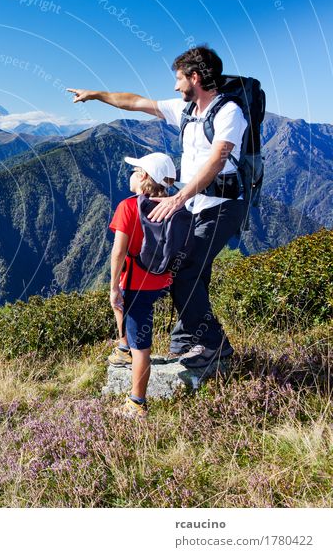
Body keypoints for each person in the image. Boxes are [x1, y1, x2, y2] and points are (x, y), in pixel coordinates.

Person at [68, 44, 247, 368]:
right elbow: (135, 102)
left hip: (222, 205)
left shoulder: (228, 112)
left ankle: (214, 345)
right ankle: (185, 341)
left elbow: (218, 159)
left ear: (195, 77)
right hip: (194, 205)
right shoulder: (187, 112)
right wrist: (95, 95)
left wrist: (178, 197)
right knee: (189, 270)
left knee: (185, 272)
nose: (176, 87)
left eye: (179, 79)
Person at [109, 153, 176, 418]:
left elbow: (118, 251)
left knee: (142, 346)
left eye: (136, 170)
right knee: (125, 309)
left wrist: (113, 285)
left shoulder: (128, 206)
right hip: (162, 279)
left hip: (135, 281)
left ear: (145, 177)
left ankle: (137, 403)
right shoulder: (173, 205)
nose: (132, 174)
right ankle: (124, 347)